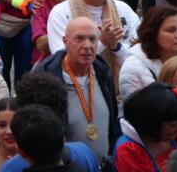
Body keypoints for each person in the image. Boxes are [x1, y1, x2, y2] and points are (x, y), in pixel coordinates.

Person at [31, 17, 123, 157]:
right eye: (79, 39)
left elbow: (113, 123)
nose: (87, 45)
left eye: (92, 39)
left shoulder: (103, 72)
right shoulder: (45, 78)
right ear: (65, 42)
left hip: (103, 171)